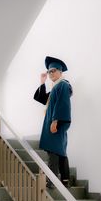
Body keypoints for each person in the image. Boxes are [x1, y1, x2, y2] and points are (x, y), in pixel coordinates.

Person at [34, 56, 73, 188]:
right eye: (49, 71)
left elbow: (62, 104)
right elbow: (42, 99)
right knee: (59, 150)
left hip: (56, 122)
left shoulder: (62, 85)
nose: (51, 73)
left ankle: (52, 181)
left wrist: (55, 121)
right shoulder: (56, 86)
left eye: (53, 71)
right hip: (55, 121)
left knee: (53, 151)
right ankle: (65, 180)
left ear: (60, 72)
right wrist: (42, 82)